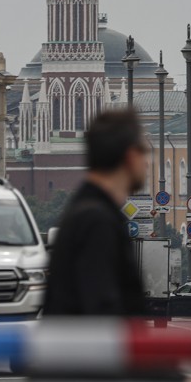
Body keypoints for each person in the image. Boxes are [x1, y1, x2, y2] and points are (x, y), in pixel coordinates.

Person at [42, 109, 148, 317]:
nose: (147, 162)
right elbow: (103, 309)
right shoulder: (96, 220)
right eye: (145, 152)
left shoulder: (89, 210)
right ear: (130, 156)